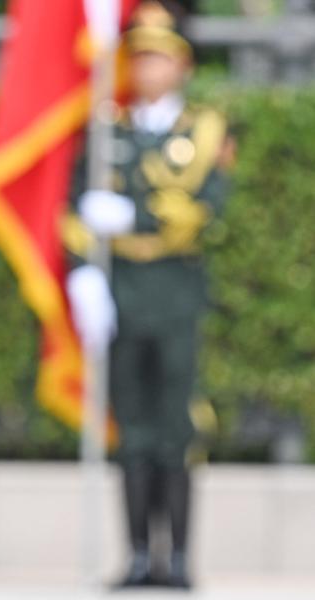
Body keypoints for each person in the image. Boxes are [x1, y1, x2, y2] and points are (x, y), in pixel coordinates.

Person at [63, 0, 232, 589]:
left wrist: (130, 215)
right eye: (140, 58)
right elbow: (75, 209)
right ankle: (138, 556)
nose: (148, 68)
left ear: (182, 64)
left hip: (174, 290)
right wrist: (83, 273)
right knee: (131, 424)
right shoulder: (107, 129)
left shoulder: (204, 132)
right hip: (122, 291)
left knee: (175, 425)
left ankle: (178, 558)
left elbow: (202, 211)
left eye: (160, 58)